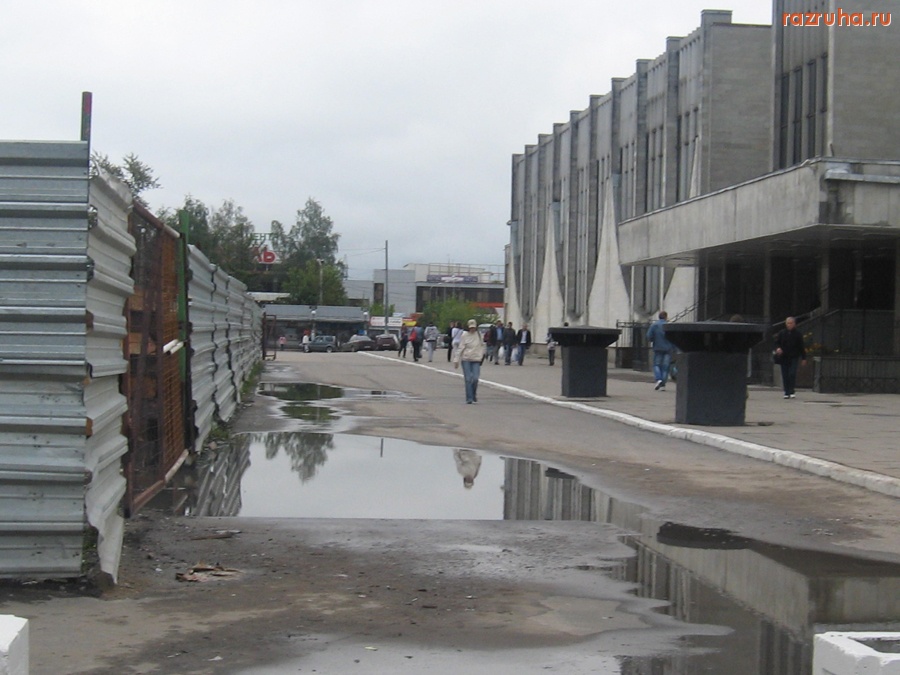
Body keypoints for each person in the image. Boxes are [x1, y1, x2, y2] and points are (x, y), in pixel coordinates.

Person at [774, 316, 807, 399]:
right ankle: (786, 391)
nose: (789, 325)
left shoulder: (798, 334)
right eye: (788, 323)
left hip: (794, 357)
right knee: (785, 374)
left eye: (791, 323)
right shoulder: (782, 333)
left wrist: (804, 358)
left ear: (794, 324)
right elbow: (777, 343)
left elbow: (801, 346)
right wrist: (778, 348)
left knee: (792, 373)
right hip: (784, 357)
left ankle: (792, 390)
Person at [453, 319, 486, 404]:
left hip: (476, 359)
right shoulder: (464, 335)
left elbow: (482, 346)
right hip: (466, 359)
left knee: (475, 378)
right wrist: (456, 359)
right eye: (471, 327)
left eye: (474, 327)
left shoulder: (479, 335)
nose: (472, 329)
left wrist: (482, 355)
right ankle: (469, 398)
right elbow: (460, 348)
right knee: (468, 379)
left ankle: (473, 393)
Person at [647, 311, 674, 391]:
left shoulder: (654, 325)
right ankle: (663, 385)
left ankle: (658, 379)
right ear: (666, 317)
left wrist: (653, 340)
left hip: (658, 347)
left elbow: (649, 336)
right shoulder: (668, 326)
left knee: (656, 365)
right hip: (668, 348)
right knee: (665, 367)